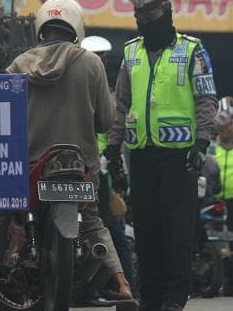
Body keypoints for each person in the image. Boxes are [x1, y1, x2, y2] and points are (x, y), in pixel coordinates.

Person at [0, 0, 132, 311]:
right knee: (92, 223)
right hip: (77, 164)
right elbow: (104, 121)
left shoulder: (19, 65)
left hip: (25, 167)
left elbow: (0, 119)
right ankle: (123, 285)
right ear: (75, 26)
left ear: (42, 28)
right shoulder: (91, 63)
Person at [106, 0, 217, 311]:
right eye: (138, 15)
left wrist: (202, 143)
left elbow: (206, 98)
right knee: (146, 231)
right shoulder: (131, 53)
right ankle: (150, 299)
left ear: (165, 12)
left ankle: (173, 299)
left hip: (180, 156)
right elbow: (121, 104)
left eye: (149, 14)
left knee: (177, 233)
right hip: (141, 155)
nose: (142, 20)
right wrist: (113, 149)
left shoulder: (192, 50)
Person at [81, 35, 138, 296]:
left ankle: (123, 286)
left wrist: (113, 166)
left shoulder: (110, 94)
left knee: (111, 231)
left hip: (100, 173)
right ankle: (94, 286)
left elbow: (116, 132)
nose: (99, 62)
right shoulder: (76, 86)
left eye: (102, 58)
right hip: (76, 168)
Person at [202, 108, 233, 298]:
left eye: (230, 124)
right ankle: (207, 279)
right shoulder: (209, 148)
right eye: (222, 125)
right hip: (211, 201)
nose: (225, 129)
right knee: (211, 242)